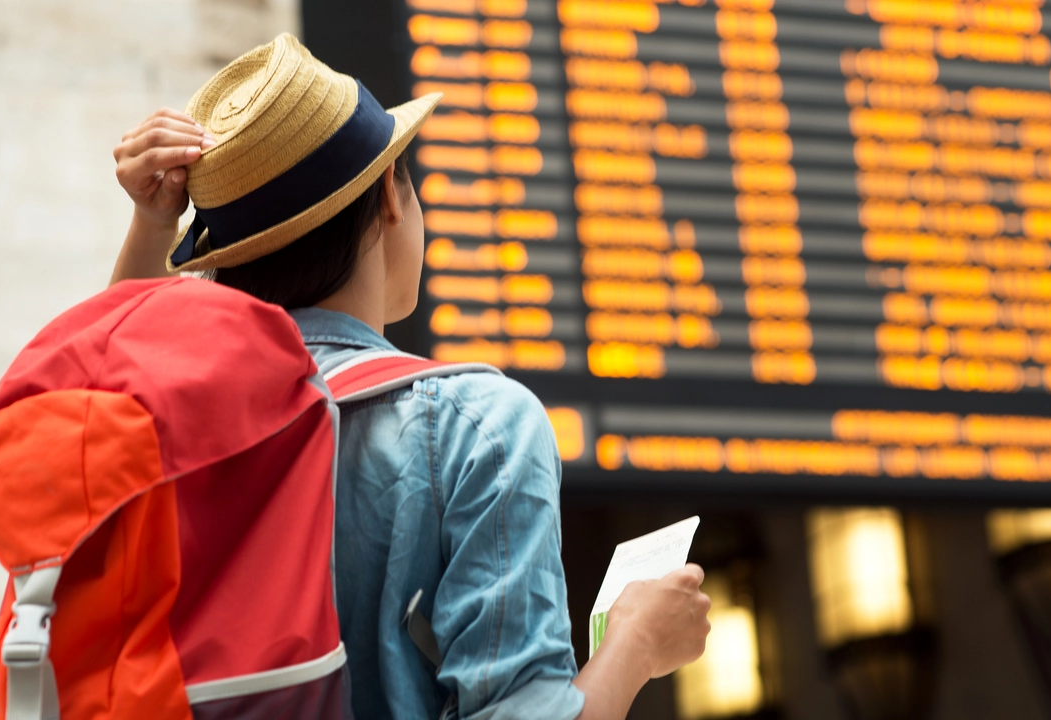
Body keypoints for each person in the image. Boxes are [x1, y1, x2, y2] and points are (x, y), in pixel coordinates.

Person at [109, 33, 710, 720]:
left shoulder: (164, 427)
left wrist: (151, 224)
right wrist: (636, 639)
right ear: (390, 199)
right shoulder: (475, 424)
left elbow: (112, 375)